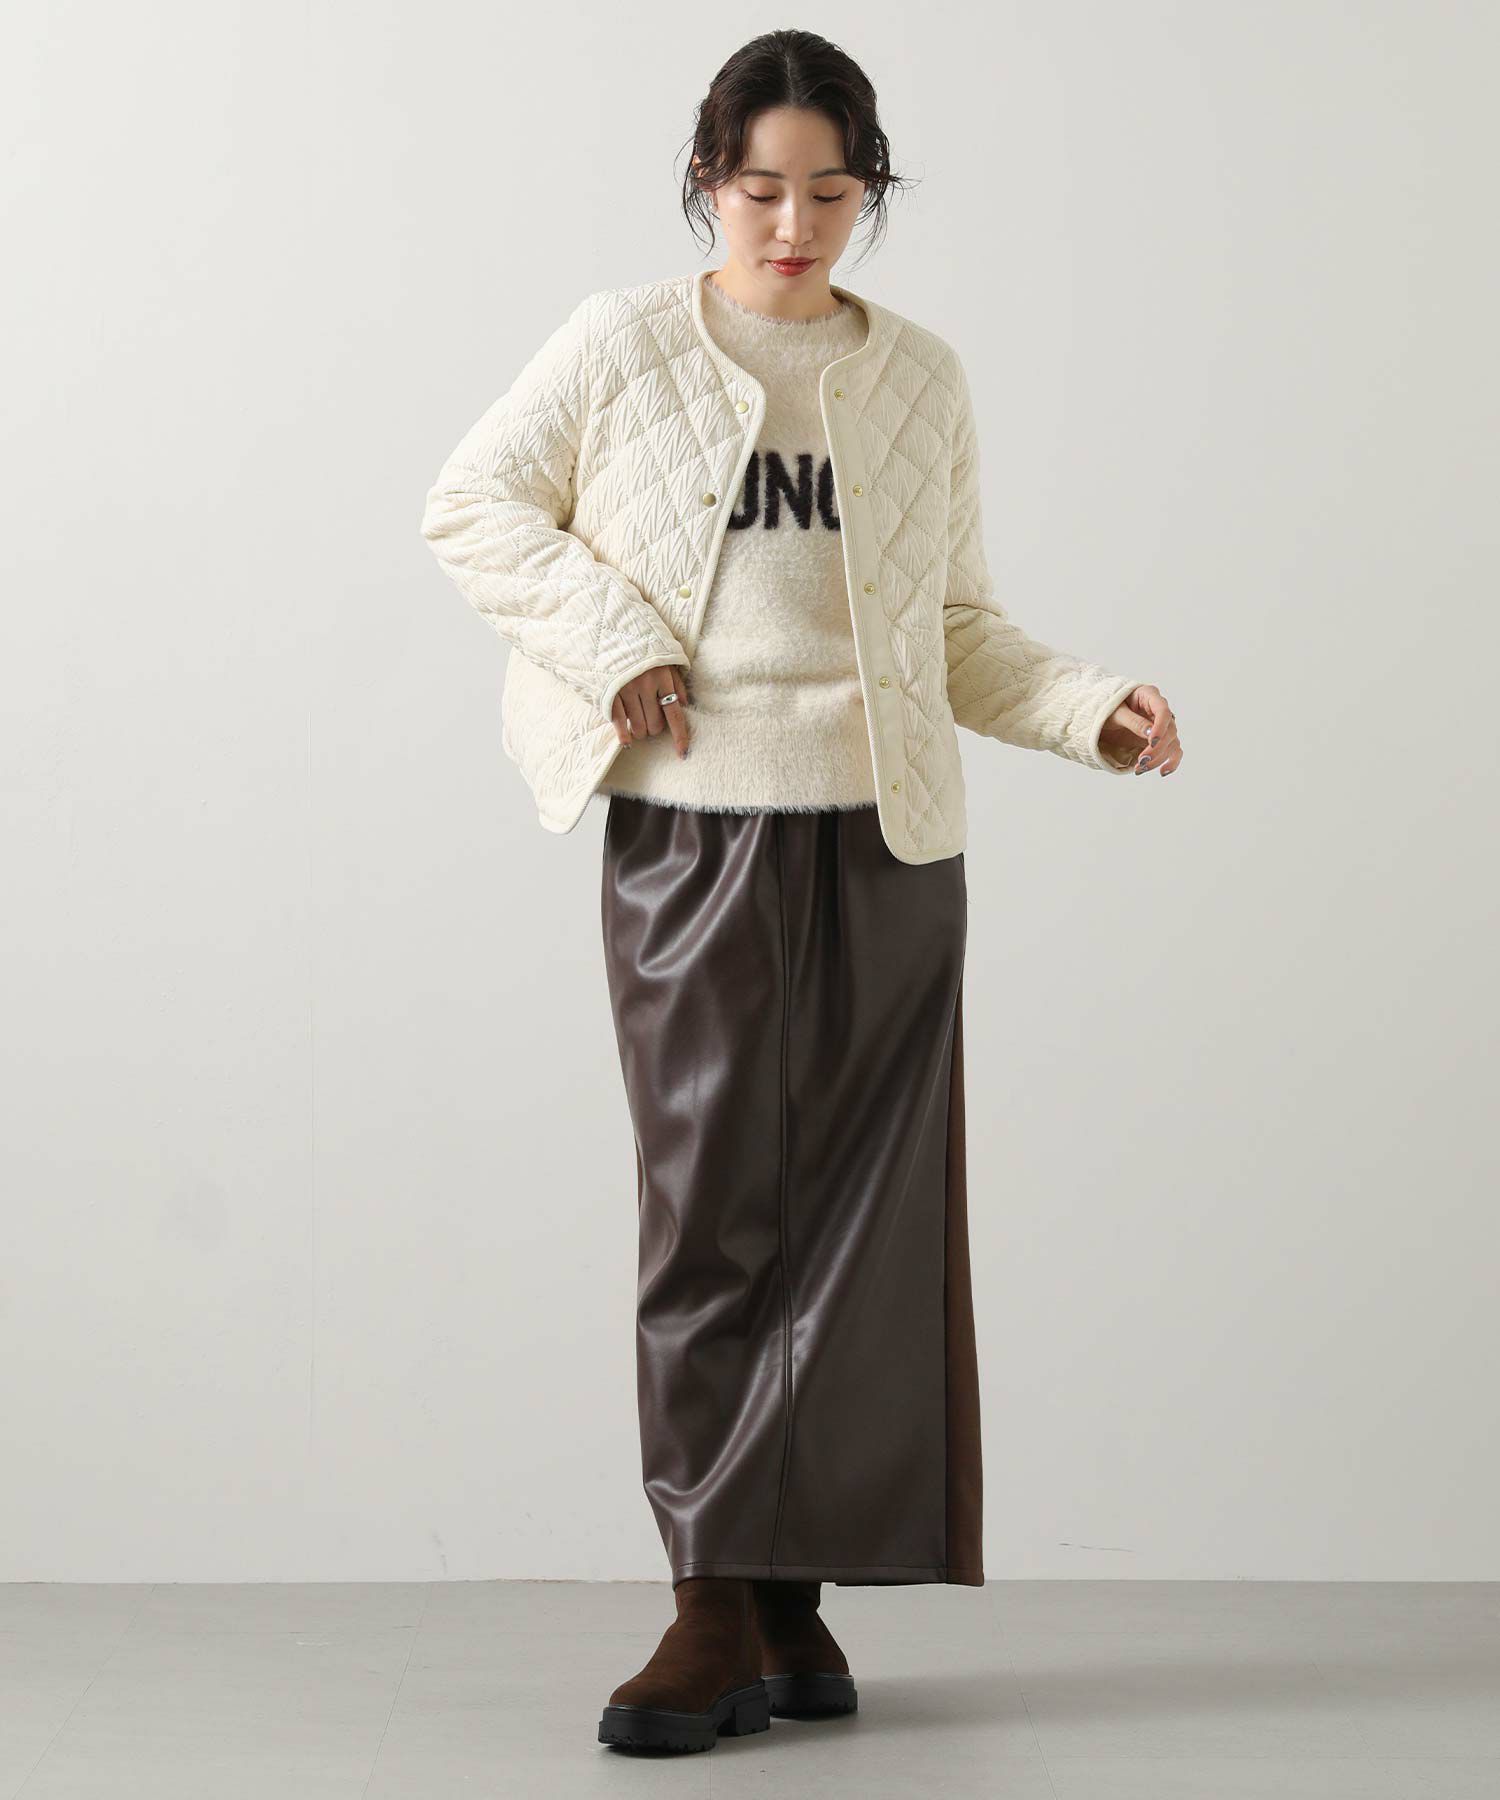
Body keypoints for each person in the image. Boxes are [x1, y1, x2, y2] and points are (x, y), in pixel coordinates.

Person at [420, 28, 1183, 1757]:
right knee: (713, 1208)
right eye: (760, 190)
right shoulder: (621, 346)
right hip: (697, 832)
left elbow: (957, 628)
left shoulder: (918, 378)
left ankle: (788, 1596)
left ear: (869, 196)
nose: (792, 225)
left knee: (862, 1222)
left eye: (830, 194)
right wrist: (614, 640)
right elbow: (473, 507)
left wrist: (1089, 709)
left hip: (888, 840)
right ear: (708, 182)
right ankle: (709, 1588)